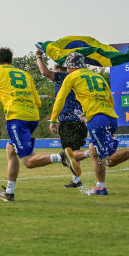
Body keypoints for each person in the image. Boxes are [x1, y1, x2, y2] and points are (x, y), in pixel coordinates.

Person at [51, 52, 129, 196]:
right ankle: (100, 187)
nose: (67, 70)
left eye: (67, 67)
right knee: (94, 152)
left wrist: (53, 120)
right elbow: (110, 99)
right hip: (110, 116)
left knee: (108, 160)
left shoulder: (71, 77)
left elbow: (60, 99)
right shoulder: (98, 77)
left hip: (97, 119)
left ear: (71, 66)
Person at [0, 47, 78, 202]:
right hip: (32, 116)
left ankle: (62, 157)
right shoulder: (25, 74)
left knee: (28, 161)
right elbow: (38, 101)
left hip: (16, 118)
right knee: (11, 150)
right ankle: (9, 192)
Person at [36, 49, 89, 188]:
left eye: (57, 71)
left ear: (62, 70)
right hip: (80, 119)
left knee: (69, 153)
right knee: (73, 151)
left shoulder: (65, 76)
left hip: (69, 120)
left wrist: (39, 56)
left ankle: (92, 152)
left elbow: (44, 72)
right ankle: (76, 181)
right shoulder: (80, 78)